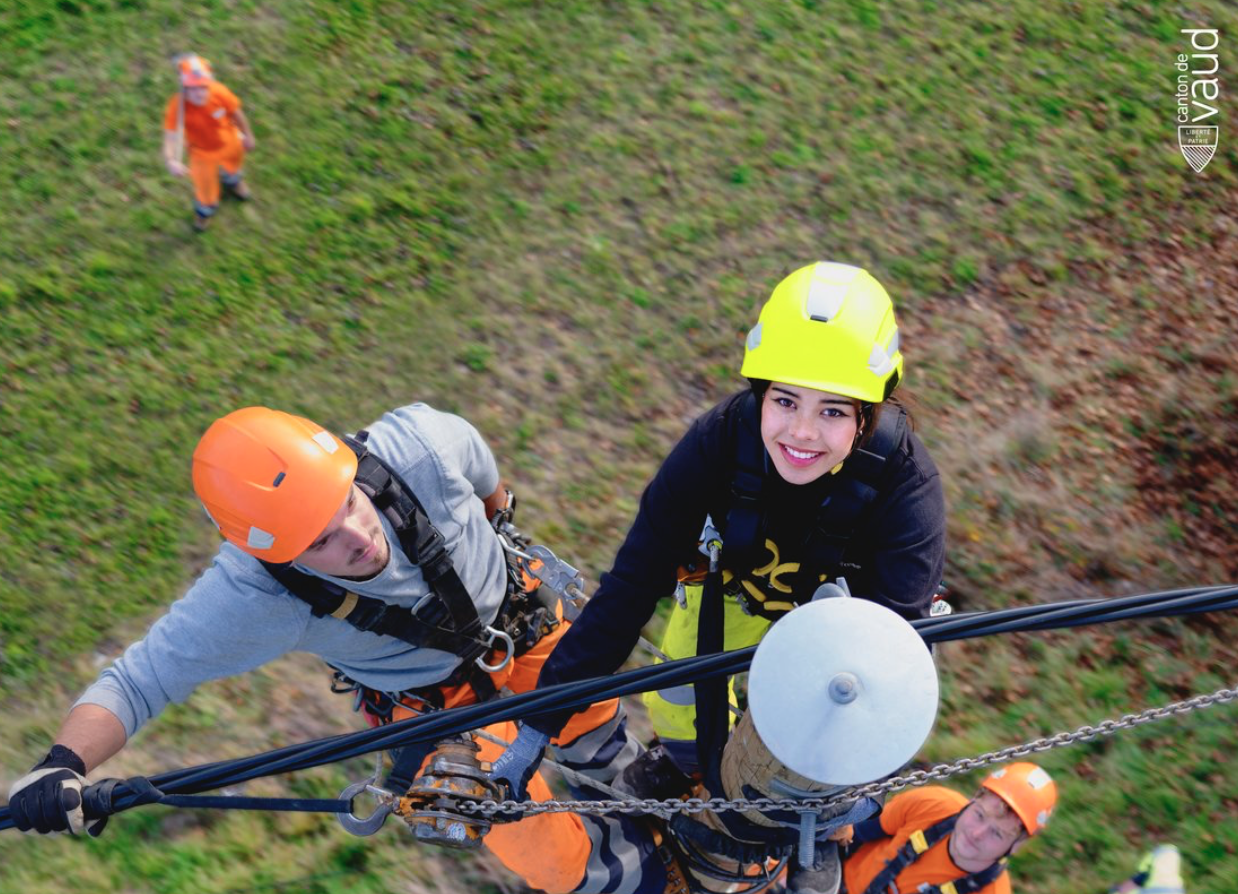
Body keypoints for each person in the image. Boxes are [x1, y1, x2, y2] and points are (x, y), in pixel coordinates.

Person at [5, 403, 635, 894]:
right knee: (549, 859)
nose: (357, 538)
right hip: (435, 711)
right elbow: (138, 681)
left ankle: (658, 797)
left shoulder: (420, 444)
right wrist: (64, 762)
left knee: (604, 740)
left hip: (519, 622)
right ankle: (651, 878)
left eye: (349, 506)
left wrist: (505, 535)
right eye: (319, 543)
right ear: (272, 554)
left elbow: (486, 480)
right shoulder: (252, 593)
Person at [492, 261, 947, 892]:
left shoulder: (904, 489)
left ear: (869, 414)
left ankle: (813, 819)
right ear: (759, 393)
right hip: (729, 599)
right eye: (784, 400)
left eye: (833, 411)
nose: (802, 433)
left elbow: (893, 664)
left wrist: (845, 786)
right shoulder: (719, 443)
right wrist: (539, 723)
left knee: (825, 709)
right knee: (678, 685)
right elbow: (631, 584)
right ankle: (683, 766)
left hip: (837, 640)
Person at [839, 762, 1057, 894]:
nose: (976, 834)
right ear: (973, 799)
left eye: (997, 833)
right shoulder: (932, 805)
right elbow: (854, 832)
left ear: (1017, 845)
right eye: (979, 815)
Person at [162, 54, 256, 232]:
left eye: (204, 87)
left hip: (230, 142)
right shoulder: (177, 107)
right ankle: (204, 212)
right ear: (184, 88)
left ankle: (233, 181)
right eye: (194, 88)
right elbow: (170, 137)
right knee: (204, 189)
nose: (200, 93)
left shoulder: (219, 92)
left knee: (233, 165)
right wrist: (171, 160)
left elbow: (237, 113)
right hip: (201, 154)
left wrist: (248, 135)